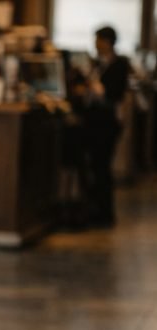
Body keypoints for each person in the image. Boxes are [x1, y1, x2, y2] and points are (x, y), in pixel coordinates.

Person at [76, 26, 131, 227]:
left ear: (107, 42)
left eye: (98, 40)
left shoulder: (120, 64)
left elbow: (115, 93)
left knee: (102, 167)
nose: (96, 44)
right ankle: (94, 209)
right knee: (93, 166)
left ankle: (105, 213)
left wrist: (96, 88)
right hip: (93, 122)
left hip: (107, 124)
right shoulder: (96, 63)